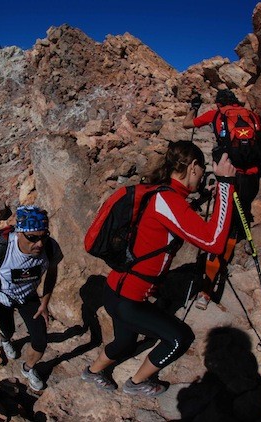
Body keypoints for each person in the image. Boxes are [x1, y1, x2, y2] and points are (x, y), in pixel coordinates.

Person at [82, 141, 236, 396]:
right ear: (194, 167)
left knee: (124, 342)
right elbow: (214, 242)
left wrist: (208, 196)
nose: (201, 177)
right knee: (179, 338)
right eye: (201, 170)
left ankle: (92, 372)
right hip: (130, 299)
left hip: (114, 290)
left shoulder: (159, 192)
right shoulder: (168, 200)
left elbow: (173, 220)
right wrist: (226, 185)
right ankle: (137, 383)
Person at [183, 89, 261, 310]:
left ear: (218, 104)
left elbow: (187, 125)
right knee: (235, 228)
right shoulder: (251, 115)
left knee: (222, 227)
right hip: (252, 178)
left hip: (230, 177)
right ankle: (231, 243)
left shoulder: (216, 114)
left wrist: (194, 107)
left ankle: (206, 290)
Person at [0, 205, 63, 391]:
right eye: (33, 238)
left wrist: (45, 302)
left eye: (43, 236)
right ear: (19, 233)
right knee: (8, 329)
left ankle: (28, 368)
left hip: (28, 297)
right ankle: (6, 339)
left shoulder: (50, 247)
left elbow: (52, 271)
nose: (39, 243)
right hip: (2, 297)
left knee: (40, 340)